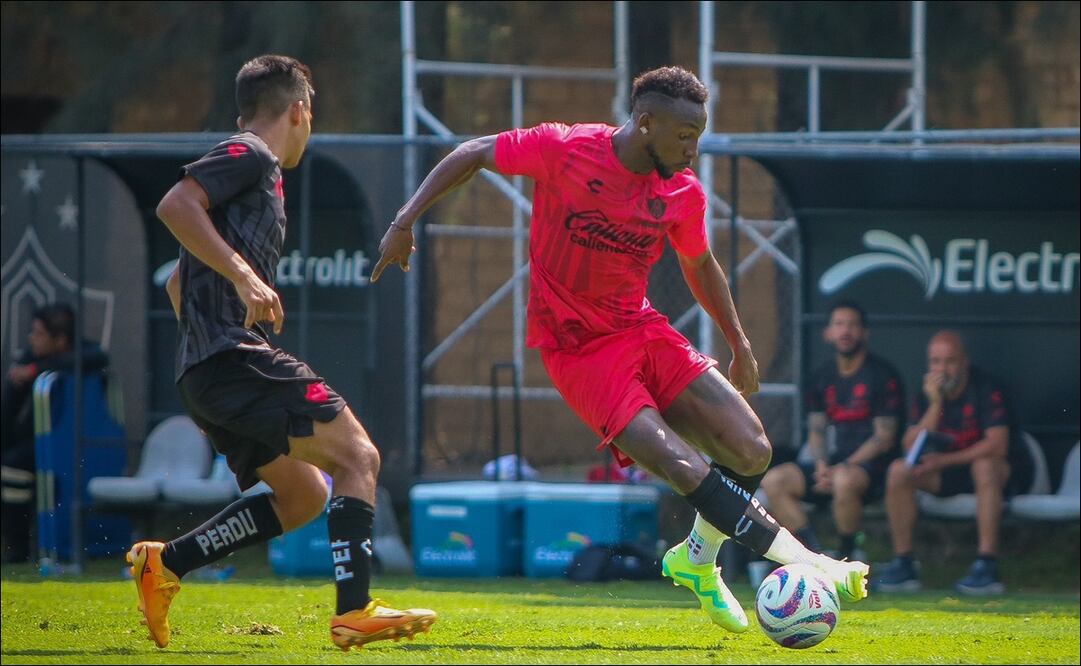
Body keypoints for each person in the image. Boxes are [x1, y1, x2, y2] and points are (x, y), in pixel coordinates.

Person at [373, 66, 869, 633]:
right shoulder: (565, 149)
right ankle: (813, 563)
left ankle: (697, 560)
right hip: (579, 350)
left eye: (700, 135)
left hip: (641, 329)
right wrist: (404, 220)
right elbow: (475, 151)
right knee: (681, 463)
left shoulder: (681, 192)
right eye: (685, 135)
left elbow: (700, 264)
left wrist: (739, 343)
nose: (694, 149)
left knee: (752, 449)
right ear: (645, 122)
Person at [136, 54, 436, 650]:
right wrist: (245, 281)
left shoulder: (252, 174)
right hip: (230, 358)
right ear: (299, 110)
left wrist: (207, 331)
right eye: (312, 115)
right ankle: (355, 611)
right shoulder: (251, 153)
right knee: (358, 456)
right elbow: (174, 205)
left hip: (205, 371)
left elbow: (177, 284)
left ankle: (166, 563)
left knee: (304, 495)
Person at [873, 331, 1033, 595]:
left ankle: (987, 565)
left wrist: (943, 460)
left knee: (984, 466)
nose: (942, 369)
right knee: (898, 471)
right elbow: (910, 447)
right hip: (947, 472)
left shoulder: (986, 387)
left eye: (950, 362)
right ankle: (904, 563)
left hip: (1001, 473)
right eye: (936, 362)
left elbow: (997, 445)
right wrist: (936, 404)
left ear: (964, 362)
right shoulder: (928, 394)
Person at [760, 301, 903, 560]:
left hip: (872, 470)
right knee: (774, 481)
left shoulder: (882, 375)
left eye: (852, 325)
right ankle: (813, 555)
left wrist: (843, 467)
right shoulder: (823, 376)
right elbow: (817, 430)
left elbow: (884, 438)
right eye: (839, 324)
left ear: (864, 333)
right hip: (833, 467)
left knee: (844, 480)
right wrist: (821, 464)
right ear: (828, 333)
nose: (845, 331)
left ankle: (847, 553)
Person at [1, 302, 108, 564]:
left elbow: (97, 358)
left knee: (13, 466)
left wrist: (37, 371)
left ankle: (18, 550)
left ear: (60, 340)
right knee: (10, 460)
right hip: (34, 441)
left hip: (70, 446)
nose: (31, 339)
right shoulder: (29, 359)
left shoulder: (87, 354)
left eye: (38, 334)